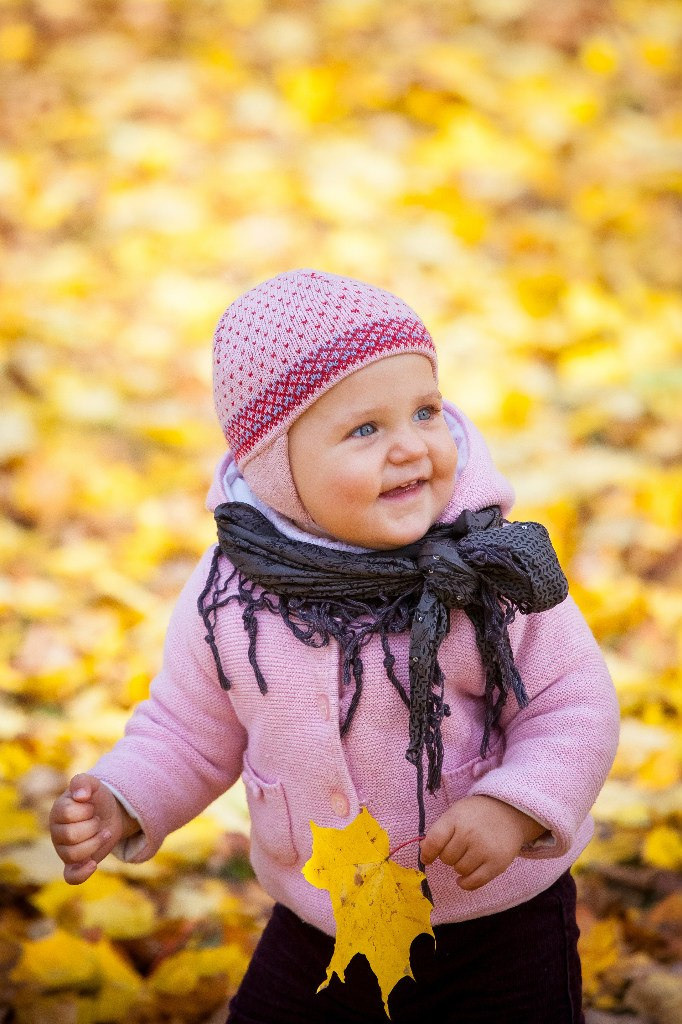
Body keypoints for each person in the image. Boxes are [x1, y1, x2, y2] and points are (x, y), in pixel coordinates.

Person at [49, 269, 620, 1023]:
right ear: (276, 467)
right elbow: (190, 728)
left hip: (495, 922)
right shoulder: (232, 593)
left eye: (426, 411)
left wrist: (514, 809)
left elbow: (572, 702)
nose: (412, 448)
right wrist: (124, 798)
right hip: (325, 919)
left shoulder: (484, 566)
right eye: (365, 429)